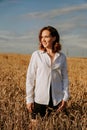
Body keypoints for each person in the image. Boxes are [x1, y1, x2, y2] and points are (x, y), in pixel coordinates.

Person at [26, 26, 69, 121]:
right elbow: (30, 78)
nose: (43, 40)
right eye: (42, 37)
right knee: (35, 126)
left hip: (57, 100)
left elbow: (65, 78)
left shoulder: (62, 57)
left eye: (46, 37)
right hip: (39, 100)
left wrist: (65, 97)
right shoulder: (36, 55)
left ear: (54, 38)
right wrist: (29, 99)